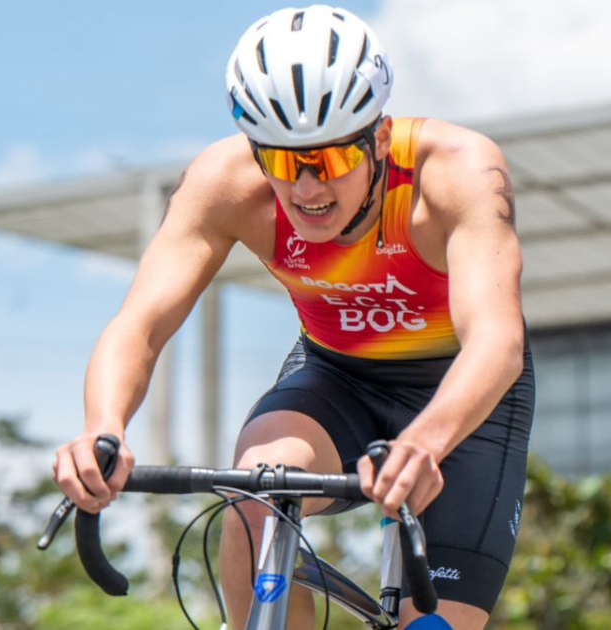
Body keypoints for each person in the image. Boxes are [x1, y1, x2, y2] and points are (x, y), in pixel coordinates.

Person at [51, 6, 534, 629]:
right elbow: (139, 325)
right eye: (280, 161)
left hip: (464, 397)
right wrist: (102, 427)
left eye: (330, 161)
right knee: (257, 494)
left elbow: (497, 342)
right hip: (339, 377)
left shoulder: (455, 171)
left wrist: (424, 442)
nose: (305, 188)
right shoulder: (224, 184)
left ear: (379, 138)